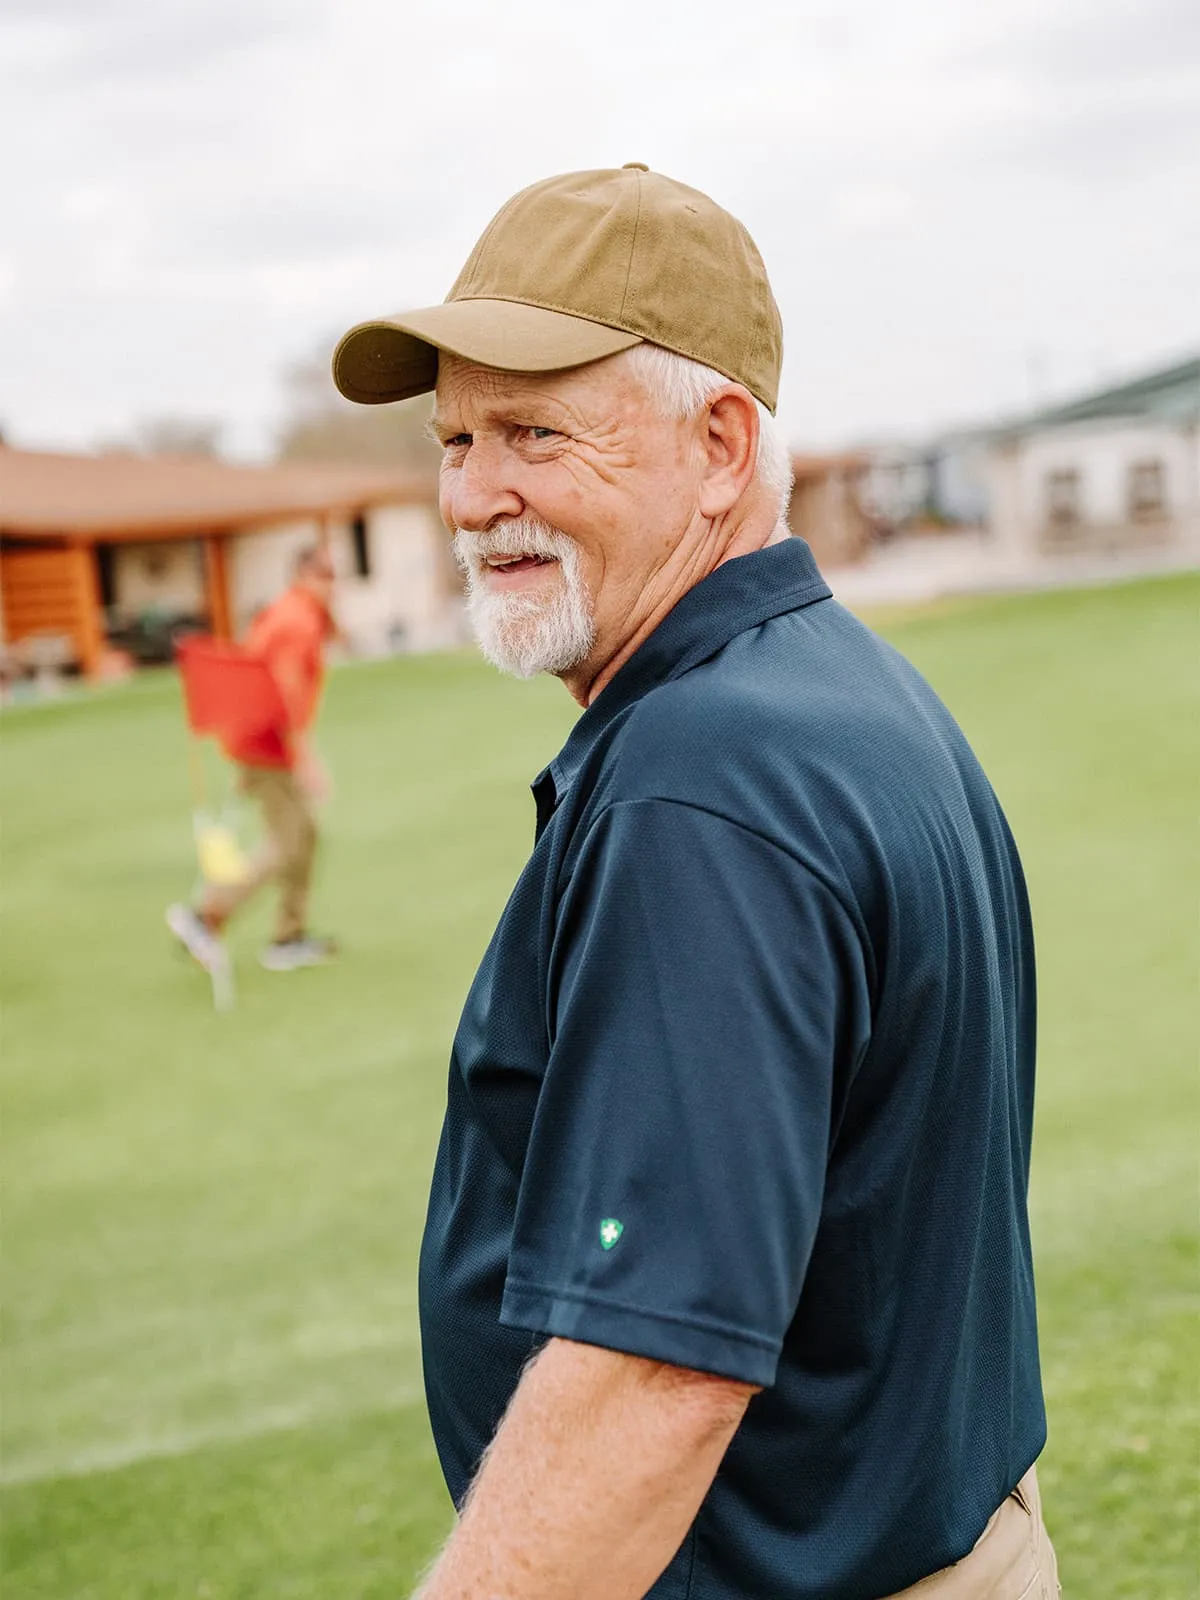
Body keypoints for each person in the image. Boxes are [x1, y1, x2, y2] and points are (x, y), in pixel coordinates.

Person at [333, 165, 1058, 1599]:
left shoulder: (702, 777)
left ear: (722, 445)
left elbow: (652, 1370)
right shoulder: (839, 687)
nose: (476, 496)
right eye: (457, 437)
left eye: (533, 431)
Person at [167, 545, 338, 976]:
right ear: (302, 574)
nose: (331, 583)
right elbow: (285, 693)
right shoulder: (296, 620)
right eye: (323, 573)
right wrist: (305, 758)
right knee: (287, 842)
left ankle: (289, 935)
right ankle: (206, 916)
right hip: (268, 746)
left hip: (257, 743)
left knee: (306, 834)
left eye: (334, 574)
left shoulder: (291, 613)